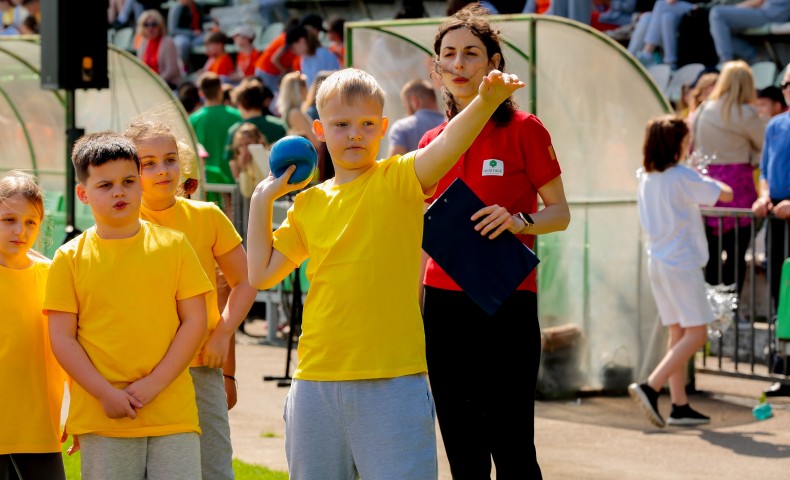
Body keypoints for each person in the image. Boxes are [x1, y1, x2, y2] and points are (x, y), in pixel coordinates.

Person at [246, 65, 524, 478]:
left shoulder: (399, 178)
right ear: (319, 130)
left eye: (366, 124)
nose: (355, 134)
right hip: (314, 382)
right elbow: (260, 275)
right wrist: (262, 199)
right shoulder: (308, 205)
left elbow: (448, 143)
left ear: (383, 128)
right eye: (341, 124)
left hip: (392, 381)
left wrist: (485, 101)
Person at [418, 5, 570, 478]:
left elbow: (560, 214)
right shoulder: (431, 140)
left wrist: (519, 220)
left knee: (512, 445)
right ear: (436, 67)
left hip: (506, 301)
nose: (459, 64)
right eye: (449, 54)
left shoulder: (525, 128)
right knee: (462, 449)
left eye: (471, 53)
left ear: (493, 63)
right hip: (441, 305)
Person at [45, 132, 212, 479]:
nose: (119, 191)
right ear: (83, 194)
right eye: (105, 185)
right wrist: (105, 393)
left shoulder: (176, 246)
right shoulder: (69, 258)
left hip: (173, 413)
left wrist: (154, 384)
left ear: (141, 185)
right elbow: (62, 338)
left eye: (128, 181)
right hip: (103, 416)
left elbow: (195, 321)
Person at [125, 119, 258, 479]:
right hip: (137, 372)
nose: (162, 170)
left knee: (212, 470)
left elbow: (245, 282)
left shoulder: (207, 216)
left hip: (201, 368)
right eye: (147, 163)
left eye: (169, 159)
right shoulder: (120, 222)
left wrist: (222, 335)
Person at [629, 114, 733, 428]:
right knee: (696, 332)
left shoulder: (646, 176)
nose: (691, 144)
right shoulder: (681, 176)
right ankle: (651, 386)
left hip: (658, 262)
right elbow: (725, 194)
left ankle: (679, 405)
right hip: (682, 263)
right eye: (687, 139)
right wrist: (703, 176)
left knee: (677, 331)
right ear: (677, 143)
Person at [0, 171, 67, 480]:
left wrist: (78, 413)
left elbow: (71, 349)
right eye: (8, 220)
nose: (20, 231)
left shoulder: (53, 277)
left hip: (41, 429)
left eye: (31, 222)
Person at [692, 60, 764, 296]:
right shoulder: (746, 113)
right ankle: (730, 308)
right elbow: (764, 144)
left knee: (711, 252)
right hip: (739, 187)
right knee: (736, 253)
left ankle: (712, 309)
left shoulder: (703, 109)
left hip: (708, 187)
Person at [754, 64, 790, 397]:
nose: (788, 88)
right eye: (785, 84)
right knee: (782, 293)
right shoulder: (776, 126)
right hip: (778, 217)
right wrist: (764, 196)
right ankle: (786, 369)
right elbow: (764, 169)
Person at [190, 71, 243, 187]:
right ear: (220, 90)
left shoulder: (193, 119)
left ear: (201, 93)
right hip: (232, 180)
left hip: (206, 181)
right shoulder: (237, 116)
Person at [709, 0, 790, 65]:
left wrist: (736, 8)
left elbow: (758, 1)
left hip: (769, 13)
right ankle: (755, 57)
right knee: (719, 29)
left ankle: (726, 62)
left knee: (717, 14)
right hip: (770, 12)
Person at [387, 79, 445, 157]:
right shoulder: (453, 124)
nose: (406, 112)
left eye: (405, 106)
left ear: (414, 101)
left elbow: (393, 167)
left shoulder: (401, 128)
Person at [136, 9, 183, 90]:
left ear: (160, 26)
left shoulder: (168, 42)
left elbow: (171, 71)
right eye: (146, 24)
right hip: (150, 86)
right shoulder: (143, 43)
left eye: (154, 24)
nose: (150, 28)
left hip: (168, 86)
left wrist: (155, 82)